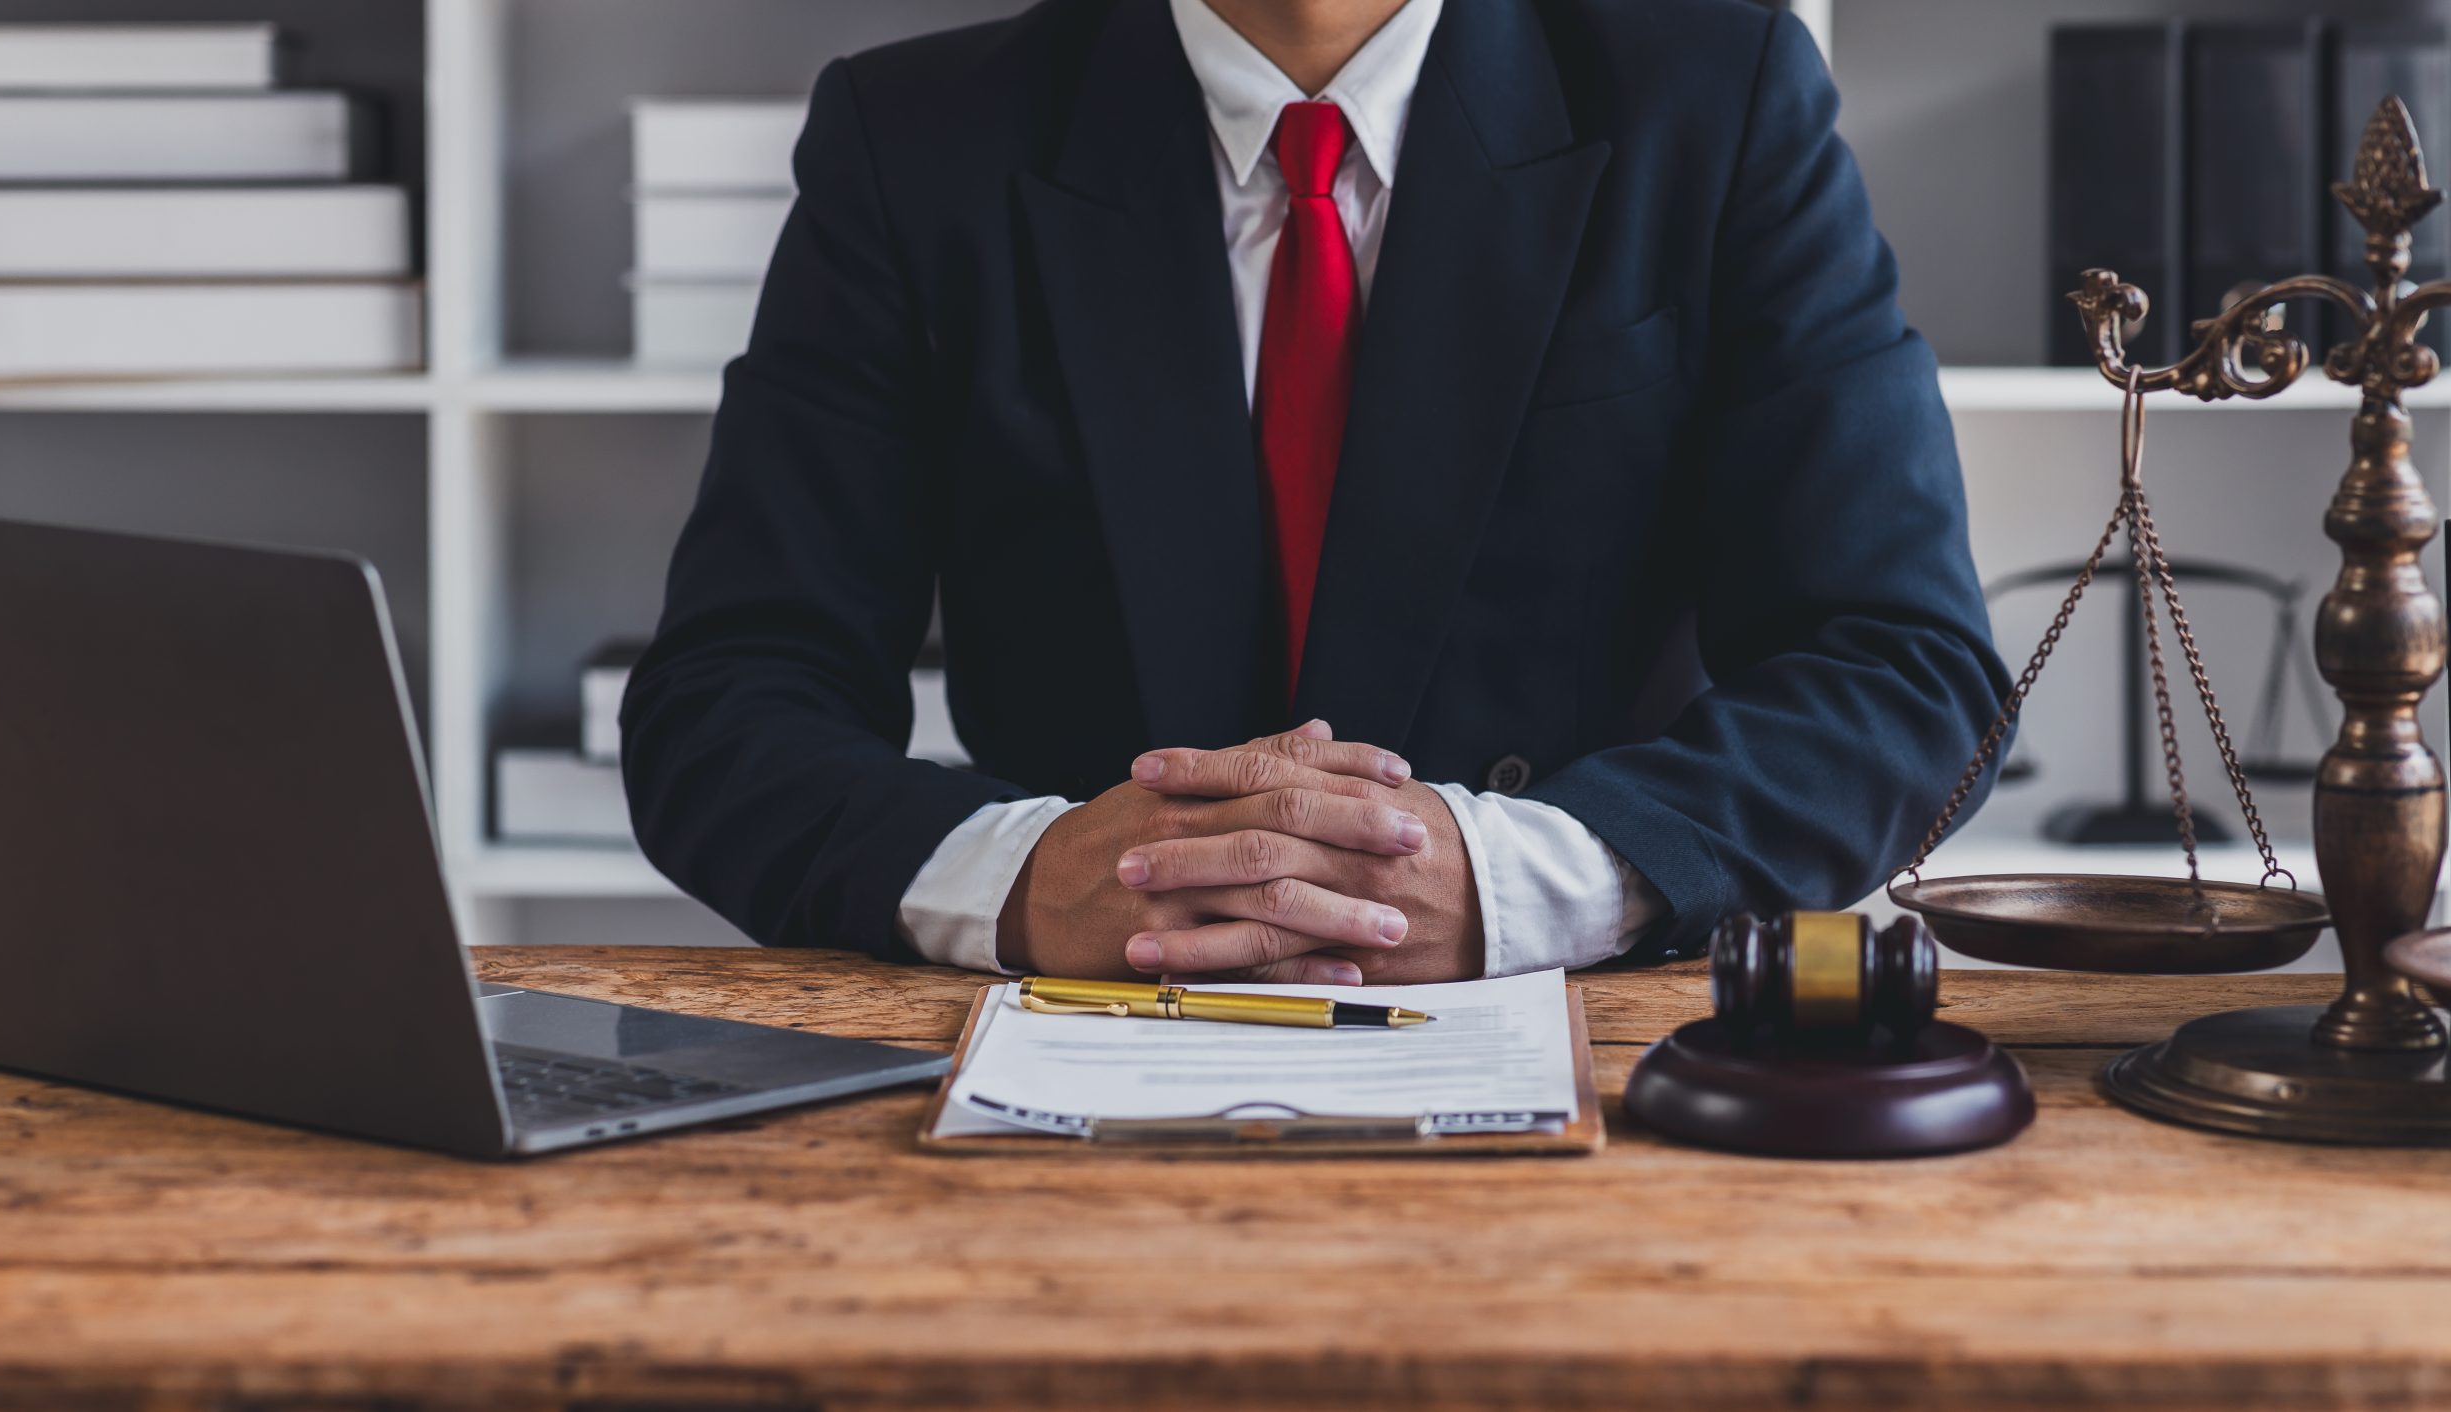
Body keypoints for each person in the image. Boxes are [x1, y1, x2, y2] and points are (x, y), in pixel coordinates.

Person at [622, 0, 2006, 986]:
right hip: (1066, 1035)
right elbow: (726, 702)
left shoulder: (1722, 95)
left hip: (1579, 1022)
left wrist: (1531, 877)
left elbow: (1904, 668)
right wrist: (1019, 881)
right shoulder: (915, 140)